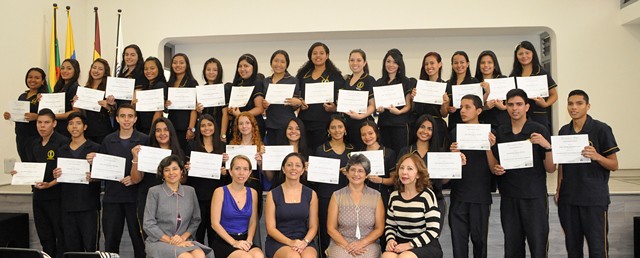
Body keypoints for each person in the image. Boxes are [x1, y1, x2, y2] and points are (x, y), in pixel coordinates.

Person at [486, 89, 556, 258]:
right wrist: (496, 167)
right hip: (509, 197)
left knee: (538, 246)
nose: (514, 108)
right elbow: (494, 166)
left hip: (534, 198)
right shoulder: (501, 132)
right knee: (512, 247)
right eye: (510, 104)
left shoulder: (539, 130)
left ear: (527, 107)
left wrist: (547, 146)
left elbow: (551, 168)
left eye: (519, 104)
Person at [556, 90, 619, 258]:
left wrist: (597, 156)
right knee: (573, 248)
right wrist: (558, 189)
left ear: (588, 106)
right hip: (569, 198)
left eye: (579, 103)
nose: (574, 107)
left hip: (593, 199)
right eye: (570, 104)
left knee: (597, 248)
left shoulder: (601, 129)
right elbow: (562, 164)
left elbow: (614, 164)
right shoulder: (564, 131)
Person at [86, 104, 148, 258]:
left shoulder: (144, 140)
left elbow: (150, 169)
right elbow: (102, 170)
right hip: (112, 198)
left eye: (130, 116)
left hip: (136, 199)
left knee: (139, 242)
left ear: (135, 119)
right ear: (117, 119)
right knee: (111, 243)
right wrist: (94, 166)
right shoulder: (108, 140)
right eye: (123, 116)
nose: (126, 119)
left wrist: (135, 179)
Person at [12, 108, 69, 258]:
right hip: (38, 196)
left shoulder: (63, 142)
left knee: (61, 236)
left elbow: (66, 171)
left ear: (54, 123)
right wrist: (20, 173)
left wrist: (50, 183)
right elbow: (29, 167)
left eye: (46, 122)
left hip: (57, 196)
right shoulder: (32, 143)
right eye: (39, 122)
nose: (42, 126)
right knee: (45, 235)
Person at [448, 95, 495, 258]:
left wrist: (489, 147)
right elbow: (448, 170)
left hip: (480, 196)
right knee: (458, 244)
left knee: (480, 242)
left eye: (468, 107)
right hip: (459, 194)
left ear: (479, 110)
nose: (463, 111)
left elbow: (494, 168)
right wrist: (453, 155)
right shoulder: (454, 133)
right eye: (461, 107)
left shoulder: (489, 133)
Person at [143, 155, 211, 258]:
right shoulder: (154, 192)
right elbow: (148, 224)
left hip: (184, 240)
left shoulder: (190, 191)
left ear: (181, 171)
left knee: (200, 255)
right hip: (159, 241)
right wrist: (171, 241)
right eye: (167, 170)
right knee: (186, 257)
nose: (171, 173)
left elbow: (196, 219)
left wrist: (183, 238)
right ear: (162, 174)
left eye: (175, 169)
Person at [52, 112, 101, 252]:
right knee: (72, 248)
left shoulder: (95, 149)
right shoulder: (62, 150)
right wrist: (56, 175)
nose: (74, 127)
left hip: (89, 206)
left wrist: (94, 176)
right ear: (67, 127)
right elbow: (59, 176)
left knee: (91, 247)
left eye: (78, 123)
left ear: (85, 127)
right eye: (71, 123)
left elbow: (104, 176)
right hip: (68, 206)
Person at [130, 117, 186, 235]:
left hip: (172, 204)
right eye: (158, 130)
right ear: (153, 133)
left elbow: (184, 181)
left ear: (170, 132)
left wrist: (184, 171)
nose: (162, 133)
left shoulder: (179, 152)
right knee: (150, 240)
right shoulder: (146, 151)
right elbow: (136, 179)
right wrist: (136, 159)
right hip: (149, 202)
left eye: (165, 130)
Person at [382, 153, 443, 258]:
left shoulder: (427, 195)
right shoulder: (394, 196)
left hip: (425, 244)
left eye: (410, 169)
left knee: (405, 257)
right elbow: (390, 225)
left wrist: (409, 245)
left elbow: (433, 230)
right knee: (387, 256)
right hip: (400, 242)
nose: (404, 172)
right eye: (402, 168)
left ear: (418, 174)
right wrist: (390, 239)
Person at [326, 154, 385, 258]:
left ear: (366, 175)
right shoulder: (337, 196)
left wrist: (361, 243)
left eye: (361, 171)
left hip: (368, 243)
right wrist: (347, 246)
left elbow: (379, 228)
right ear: (347, 173)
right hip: (341, 243)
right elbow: (331, 228)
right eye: (352, 170)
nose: (356, 174)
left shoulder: (376, 196)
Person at [314, 114, 354, 257]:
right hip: (326, 197)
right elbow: (316, 178)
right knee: (326, 232)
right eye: (333, 127)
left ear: (345, 129)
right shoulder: (321, 149)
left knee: (347, 231)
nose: (337, 130)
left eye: (340, 127)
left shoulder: (352, 150)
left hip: (349, 197)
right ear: (328, 130)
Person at [264, 153, 319, 258]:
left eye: (298, 165)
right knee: (293, 257)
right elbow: (270, 228)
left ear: (303, 170)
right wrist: (291, 242)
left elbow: (313, 226)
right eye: (289, 165)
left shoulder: (311, 194)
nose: (293, 168)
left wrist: (305, 242)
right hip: (279, 241)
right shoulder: (273, 194)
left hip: (304, 241)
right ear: (283, 169)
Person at [398, 114, 448, 227]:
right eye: (422, 127)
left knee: (431, 239)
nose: (425, 131)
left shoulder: (440, 153)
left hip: (434, 200)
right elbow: (399, 177)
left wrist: (456, 165)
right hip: (408, 202)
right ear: (416, 128)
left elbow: (444, 181)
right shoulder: (406, 151)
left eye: (429, 129)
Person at [211, 155, 264, 258]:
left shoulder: (253, 193)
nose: (241, 173)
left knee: (259, 256)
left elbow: (253, 221)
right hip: (225, 240)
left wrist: (249, 240)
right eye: (237, 168)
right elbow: (214, 224)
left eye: (245, 169)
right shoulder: (220, 192)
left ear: (249, 173)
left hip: (245, 238)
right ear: (230, 171)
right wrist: (234, 242)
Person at [186, 113, 227, 247]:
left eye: (209, 125)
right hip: (197, 195)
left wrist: (225, 172)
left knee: (214, 232)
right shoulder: (191, 145)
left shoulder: (223, 147)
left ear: (215, 126)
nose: (206, 128)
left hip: (217, 196)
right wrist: (187, 168)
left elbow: (229, 174)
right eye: (202, 126)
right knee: (198, 232)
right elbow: (186, 174)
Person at [297, 42, 345, 150]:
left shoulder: (335, 76)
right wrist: (300, 103)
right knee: (306, 150)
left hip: (325, 121)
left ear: (327, 56)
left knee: (322, 151)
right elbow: (297, 95)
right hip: (305, 120)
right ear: (310, 56)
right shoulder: (303, 75)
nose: (318, 56)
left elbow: (342, 98)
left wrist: (335, 108)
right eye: (315, 53)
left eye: (321, 53)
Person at [509, 40, 558, 132]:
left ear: (533, 54)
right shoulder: (513, 75)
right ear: (516, 56)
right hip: (518, 117)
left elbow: (554, 95)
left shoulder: (542, 73)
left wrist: (545, 104)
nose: (524, 56)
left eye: (527, 53)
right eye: (520, 54)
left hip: (538, 115)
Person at [3, 67, 49, 161]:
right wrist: (10, 116)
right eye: (30, 77)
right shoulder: (22, 96)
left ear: (43, 81)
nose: (32, 80)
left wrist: (37, 117)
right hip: (21, 137)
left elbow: (50, 115)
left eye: (37, 78)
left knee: (34, 165)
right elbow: (19, 114)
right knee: (24, 163)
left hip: (36, 137)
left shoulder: (44, 96)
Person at [375, 48, 415, 155]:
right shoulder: (379, 82)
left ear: (399, 65)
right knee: (386, 155)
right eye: (388, 61)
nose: (391, 65)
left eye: (394, 62)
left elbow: (408, 105)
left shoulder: (406, 81)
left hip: (400, 125)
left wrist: (399, 112)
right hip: (384, 124)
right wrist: (379, 110)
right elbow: (376, 105)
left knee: (401, 154)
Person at [226, 112, 266, 214]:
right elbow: (228, 170)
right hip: (234, 185)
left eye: (247, 123)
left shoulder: (261, 147)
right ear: (237, 126)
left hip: (253, 185)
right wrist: (224, 162)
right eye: (241, 123)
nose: (244, 126)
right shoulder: (232, 146)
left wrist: (261, 162)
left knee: (253, 217)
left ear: (253, 125)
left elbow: (267, 175)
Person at [412, 52, 450, 149]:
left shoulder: (445, 85)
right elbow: (414, 110)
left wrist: (445, 103)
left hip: (437, 126)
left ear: (440, 64)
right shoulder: (419, 85)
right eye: (426, 64)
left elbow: (444, 114)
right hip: (420, 125)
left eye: (432, 63)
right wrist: (413, 98)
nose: (429, 66)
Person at [262, 50, 301, 145]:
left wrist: (297, 102)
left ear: (287, 64)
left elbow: (296, 106)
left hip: (286, 124)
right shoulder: (266, 81)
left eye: (282, 62)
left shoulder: (292, 80)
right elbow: (261, 102)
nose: (278, 64)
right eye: (276, 61)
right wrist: (263, 104)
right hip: (270, 123)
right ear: (271, 62)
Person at [340, 49, 376, 150]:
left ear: (364, 63)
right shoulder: (346, 80)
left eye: (359, 60)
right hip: (348, 125)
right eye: (352, 60)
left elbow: (373, 105)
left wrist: (360, 116)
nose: (355, 63)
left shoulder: (369, 80)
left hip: (363, 124)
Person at [227, 53, 266, 139]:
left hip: (253, 126)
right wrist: (231, 110)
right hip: (238, 126)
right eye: (240, 66)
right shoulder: (237, 84)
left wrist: (241, 115)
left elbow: (259, 108)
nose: (242, 69)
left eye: (246, 66)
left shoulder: (257, 82)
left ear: (253, 67)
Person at [166, 53, 199, 152]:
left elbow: (194, 108)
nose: (178, 65)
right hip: (172, 125)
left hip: (185, 127)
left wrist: (191, 128)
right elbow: (167, 110)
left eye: (181, 63)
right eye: (175, 63)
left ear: (187, 65)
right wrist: (166, 105)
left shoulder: (192, 83)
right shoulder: (169, 83)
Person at [445, 51, 481, 132]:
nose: (459, 65)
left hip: (472, 124)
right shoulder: (447, 84)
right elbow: (444, 112)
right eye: (456, 63)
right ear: (452, 65)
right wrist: (449, 109)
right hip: (454, 123)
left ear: (467, 64)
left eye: (462, 62)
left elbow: (479, 104)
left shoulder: (474, 82)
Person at [81, 58, 115, 144]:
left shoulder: (109, 90)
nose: (96, 71)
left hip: (103, 131)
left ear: (105, 72)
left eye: (100, 69)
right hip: (87, 130)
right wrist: (76, 103)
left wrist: (107, 106)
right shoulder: (85, 89)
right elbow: (81, 112)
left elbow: (115, 113)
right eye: (94, 67)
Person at [474, 50, 509, 130]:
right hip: (483, 123)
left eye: (489, 62)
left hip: (503, 122)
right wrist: (484, 108)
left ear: (494, 65)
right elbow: (472, 107)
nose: (486, 65)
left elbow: (514, 101)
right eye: (482, 63)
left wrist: (503, 107)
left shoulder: (503, 79)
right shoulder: (475, 83)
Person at [199, 57, 229, 143]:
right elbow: (199, 114)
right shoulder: (201, 90)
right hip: (204, 129)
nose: (211, 72)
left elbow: (225, 114)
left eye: (215, 70)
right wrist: (198, 110)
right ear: (204, 72)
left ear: (219, 72)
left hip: (219, 128)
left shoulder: (224, 89)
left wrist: (223, 134)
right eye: (208, 69)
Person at [134, 57, 167, 135]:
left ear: (159, 69)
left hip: (151, 128)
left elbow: (158, 111)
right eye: (146, 69)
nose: (148, 71)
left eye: (152, 68)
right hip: (142, 127)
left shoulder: (160, 85)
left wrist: (152, 131)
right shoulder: (145, 86)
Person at [53, 58, 81, 137]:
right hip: (56, 126)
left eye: (69, 68)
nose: (64, 71)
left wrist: (54, 116)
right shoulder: (59, 87)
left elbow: (76, 111)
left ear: (75, 71)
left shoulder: (75, 88)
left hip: (67, 128)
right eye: (62, 68)